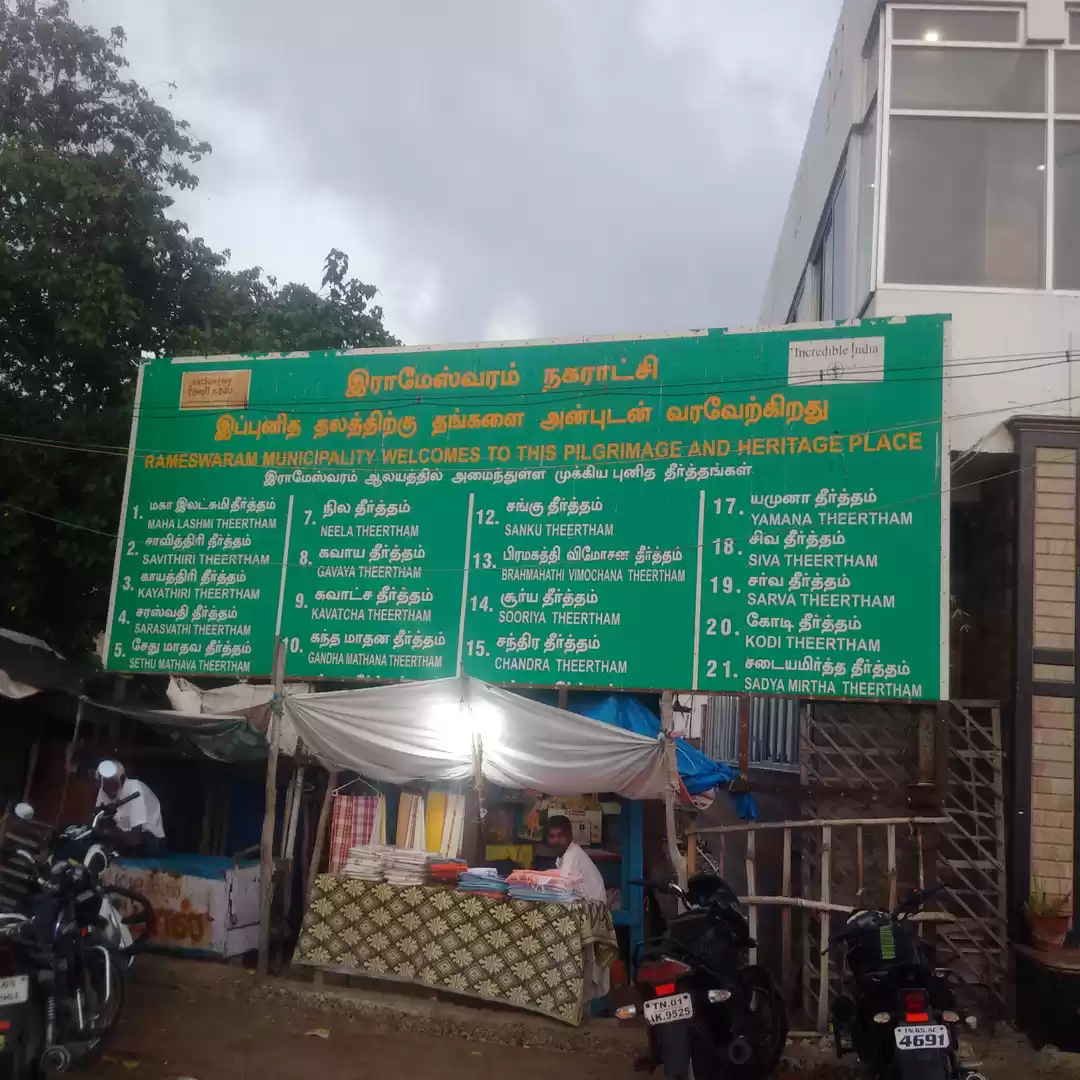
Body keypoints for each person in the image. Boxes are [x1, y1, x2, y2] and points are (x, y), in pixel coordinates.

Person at [95, 760, 165, 855]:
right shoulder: (103, 789)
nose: (108, 789)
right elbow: (98, 824)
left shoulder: (134, 788)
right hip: (123, 834)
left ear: (122, 779)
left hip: (149, 838)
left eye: (113, 783)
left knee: (135, 845)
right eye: (105, 784)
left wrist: (108, 833)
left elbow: (135, 839)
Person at [545, 814, 606, 904]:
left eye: (561, 836)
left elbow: (563, 893)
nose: (556, 840)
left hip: (593, 910)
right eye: (552, 836)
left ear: (570, 836)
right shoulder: (564, 856)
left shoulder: (572, 856)